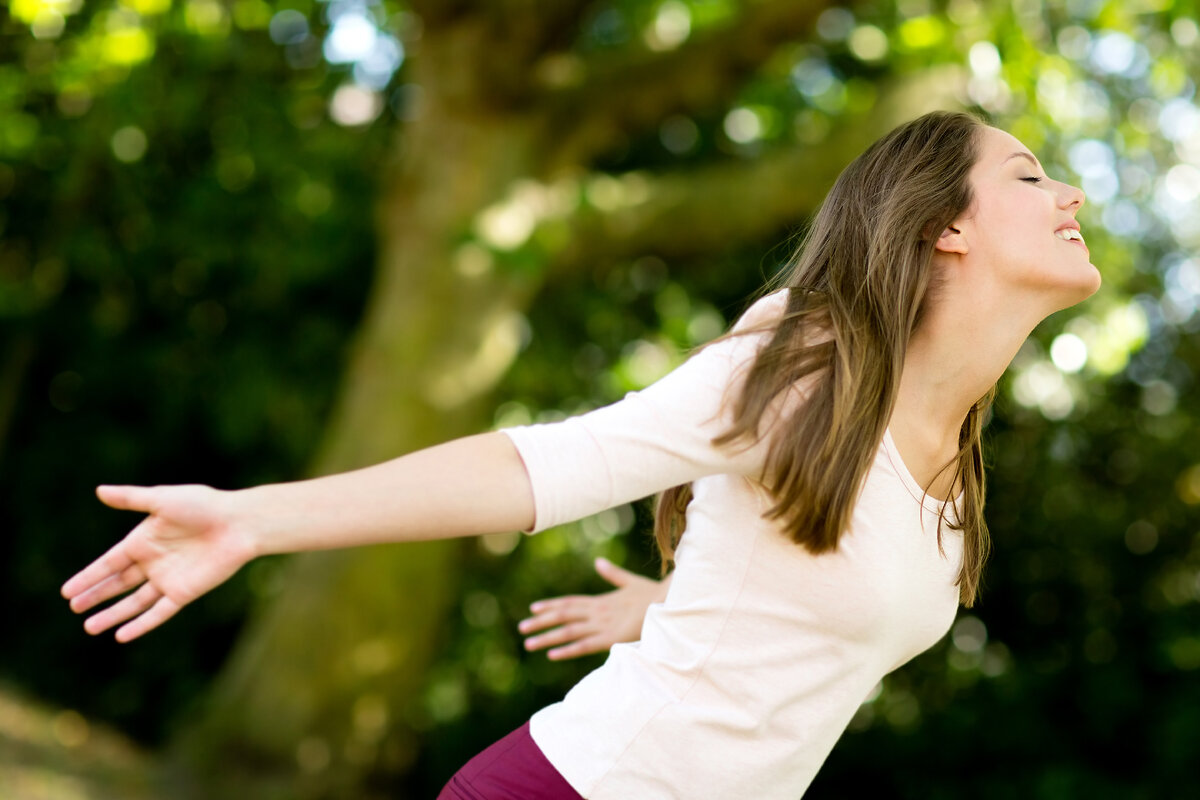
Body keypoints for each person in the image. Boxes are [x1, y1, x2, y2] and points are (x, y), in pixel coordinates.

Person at [62, 111, 1098, 799]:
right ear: (943, 225)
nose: (1070, 195)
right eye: (1028, 174)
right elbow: (550, 464)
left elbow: (806, 601)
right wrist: (254, 518)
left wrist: (677, 604)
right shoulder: (807, 367)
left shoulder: (957, 459)